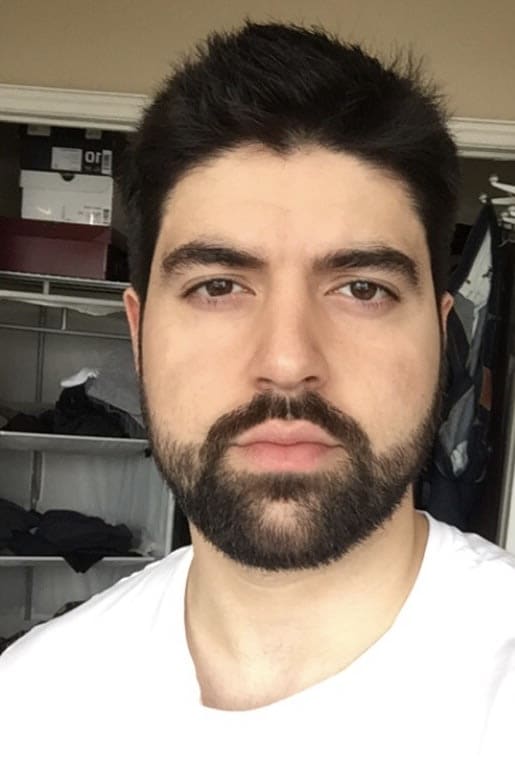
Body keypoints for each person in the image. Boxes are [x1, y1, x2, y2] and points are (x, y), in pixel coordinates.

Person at [1, 21, 514, 784]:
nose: (286, 362)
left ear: (442, 341)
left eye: (361, 288)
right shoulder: (28, 707)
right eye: (217, 286)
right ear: (138, 336)